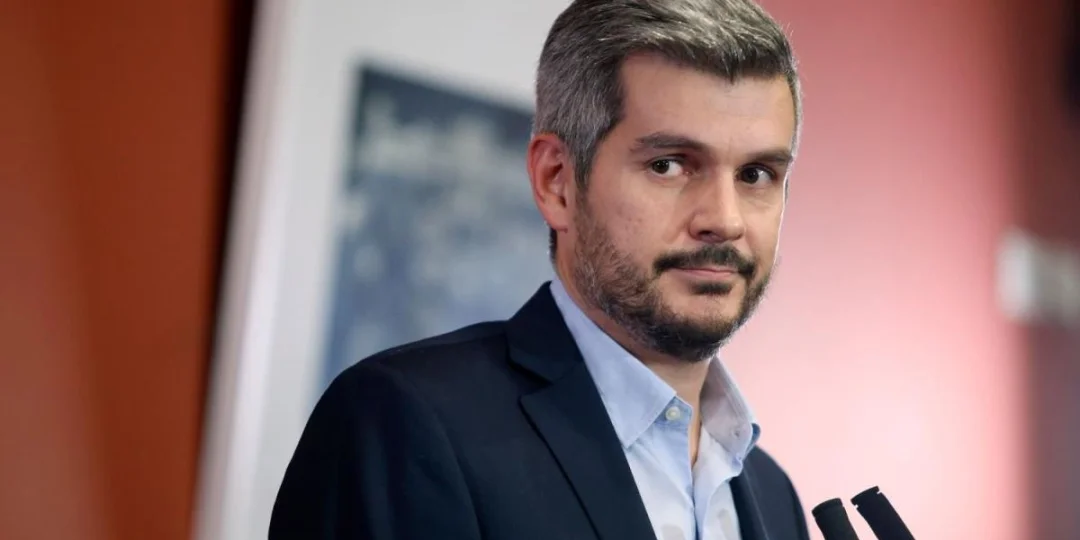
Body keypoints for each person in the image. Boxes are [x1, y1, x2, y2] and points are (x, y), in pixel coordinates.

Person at [269, 0, 806, 538]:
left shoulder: (774, 496)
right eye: (668, 165)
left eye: (756, 174)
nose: (725, 220)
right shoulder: (403, 423)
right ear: (557, 182)